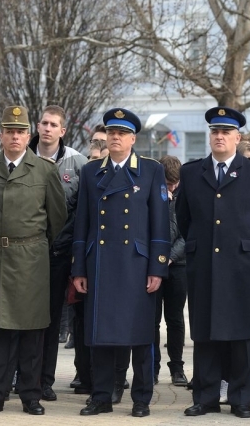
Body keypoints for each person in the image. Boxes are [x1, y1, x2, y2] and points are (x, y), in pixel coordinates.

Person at [176, 106, 250, 419]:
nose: (219, 136)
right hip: (204, 264)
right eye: (214, 132)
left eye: (225, 132)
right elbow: (184, 218)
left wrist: (246, 248)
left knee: (243, 335)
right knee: (204, 333)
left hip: (240, 265)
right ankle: (205, 397)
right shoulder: (192, 172)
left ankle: (240, 399)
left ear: (238, 137)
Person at [72, 108, 171, 418]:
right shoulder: (91, 171)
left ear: (132, 138)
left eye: (121, 133)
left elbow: (160, 223)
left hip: (136, 265)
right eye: (110, 132)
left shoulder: (151, 170)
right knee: (100, 336)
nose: (115, 137)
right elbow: (82, 222)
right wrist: (79, 268)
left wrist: (157, 267)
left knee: (140, 335)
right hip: (100, 262)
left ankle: (141, 398)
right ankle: (101, 396)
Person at [0, 106, 66, 416]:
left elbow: (57, 218)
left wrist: (32, 244)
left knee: (31, 331)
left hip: (30, 258)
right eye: (9, 131)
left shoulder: (45, 170)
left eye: (20, 131)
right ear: (1, 135)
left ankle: (30, 395)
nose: (14, 136)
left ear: (28, 136)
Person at [28, 106, 87, 402]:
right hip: (23, 254)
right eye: (44, 123)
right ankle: (19, 376)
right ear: (37, 126)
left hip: (57, 254)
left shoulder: (77, 163)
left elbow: (81, 213)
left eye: (54, 125)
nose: (48, 128)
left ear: (63, 130)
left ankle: (44, 380)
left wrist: (70, 250)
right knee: (19, 318)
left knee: (50, 321)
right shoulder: (22, 157)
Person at [153, 155, 188, 387]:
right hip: (154, 265)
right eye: (168, 183)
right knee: (152, 320)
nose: (172, 188)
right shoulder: (152, 195)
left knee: (175, 319)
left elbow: (188, 231)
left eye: (175, 183)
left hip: (179, 265)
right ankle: (151, 367)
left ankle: (177, 368)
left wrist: (170, 257)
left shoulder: (186, 195)